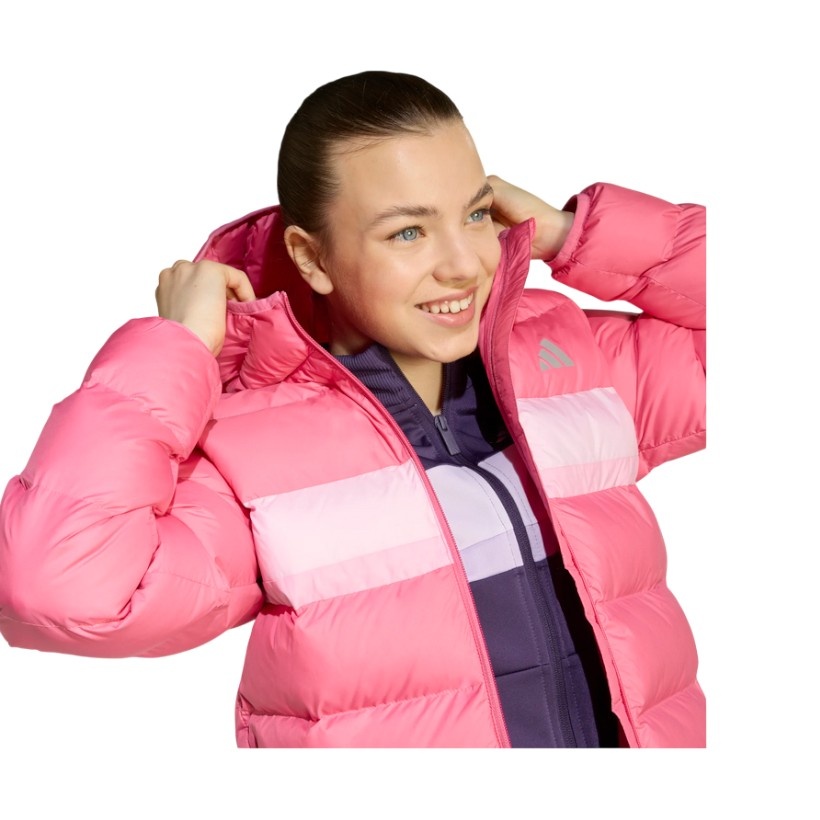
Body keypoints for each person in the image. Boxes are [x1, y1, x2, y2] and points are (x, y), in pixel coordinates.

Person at [0, 70, 706, 748]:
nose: (464, 263)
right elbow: (61, 587)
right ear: (310, 258)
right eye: (408, 232)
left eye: (474, 214)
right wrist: (176, 346)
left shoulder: (571, 360)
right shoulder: (251, 455)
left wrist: (569, 233)